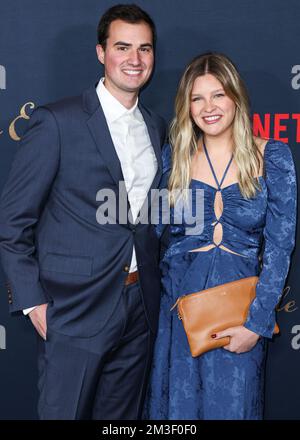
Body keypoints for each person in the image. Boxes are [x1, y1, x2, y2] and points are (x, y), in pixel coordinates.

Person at [0, 4, 166, 420]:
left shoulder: (156, 125)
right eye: (123, 47)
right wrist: (32, 300)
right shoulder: (57, 121)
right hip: (73, 308)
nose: (134, 59)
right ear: (100, 52)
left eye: (144, 49)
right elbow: (12, 221)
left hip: (139, 305)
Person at [143, 52, 297, 420]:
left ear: (236, 98)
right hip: (177, 317)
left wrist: (256, 325)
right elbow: (148, 233)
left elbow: (280, 246)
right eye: (197, 98)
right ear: (187, 105)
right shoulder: (173, 158)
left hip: (237, 319)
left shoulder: (271, 157)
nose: (208, 107)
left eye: (218, 95)